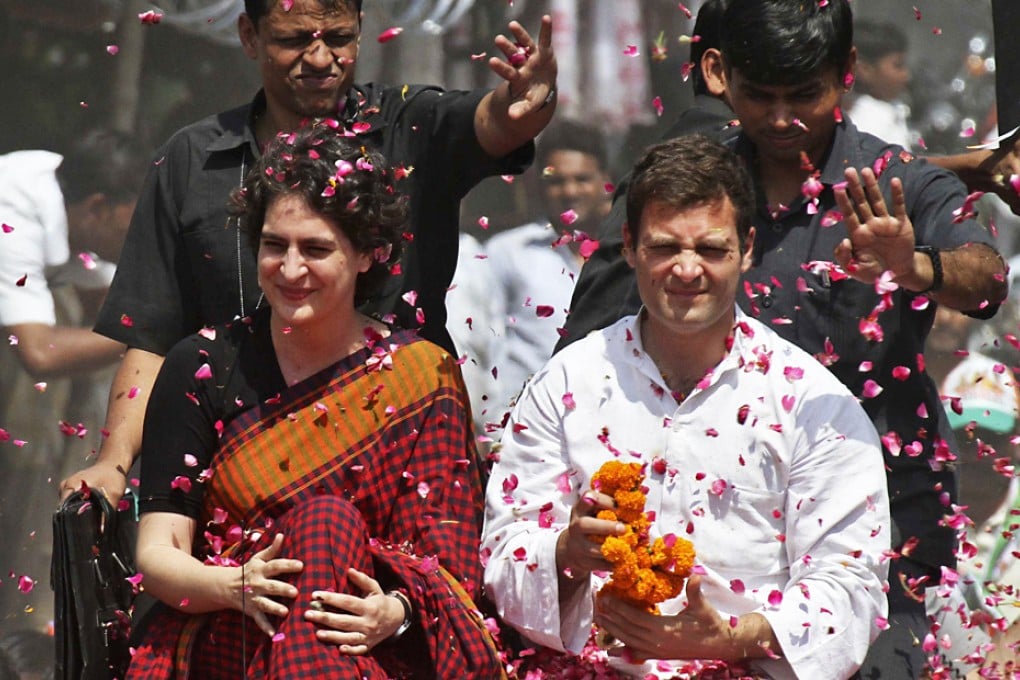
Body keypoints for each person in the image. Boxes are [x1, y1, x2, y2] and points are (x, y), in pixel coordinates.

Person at [559, 2, 1008, 676]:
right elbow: (591, 342)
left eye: (803, 96)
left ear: (845, 74)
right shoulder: (684, 187)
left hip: (876, 529)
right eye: (759, 96)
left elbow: (985, 279)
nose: (779, 119)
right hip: (714, 520)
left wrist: (913, 268)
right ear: (720, 77)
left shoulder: (897, 185)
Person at [60, 0, 558, 506]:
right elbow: (151, 338)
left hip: (397, 469)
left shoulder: (413, 126)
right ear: (250, 37)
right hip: (236, 486)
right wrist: (113, 462)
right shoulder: (192, 161)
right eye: (295, 40)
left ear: (362, 31)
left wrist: (530, 100)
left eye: (338, 38)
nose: (320, 59)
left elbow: (498, 122)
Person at [482, 135, 890, 679]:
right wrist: (566, 554)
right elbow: (504, 552)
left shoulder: (815, 407)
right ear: (628, 246)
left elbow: (851, 586)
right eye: (665, 247)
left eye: (711, 249)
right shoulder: (566, 381)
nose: (687, 270)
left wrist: (732, 638)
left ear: (747, 248)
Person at [126, 125, 500, 677]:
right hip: (232, 629)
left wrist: (390, 614)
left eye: (317, 249)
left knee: (328, 525)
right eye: (275, 245)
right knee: (325, 522)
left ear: (369, 254)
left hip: (367, 648)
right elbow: (158, 555)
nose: (291, 270)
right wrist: (233, 585)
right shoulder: (202, 365)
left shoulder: (421, 375)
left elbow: (448, 566)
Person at [0, 129, 145, 630]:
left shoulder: (72, 198)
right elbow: (39, 353)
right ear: (98, 207)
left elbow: (105, 313)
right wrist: (156, 332)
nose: (136, 241)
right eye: (129, 227)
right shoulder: (12, 209)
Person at [484, 119, 612, 416]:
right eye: (556, 181)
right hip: (523, 422)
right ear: (540, 186)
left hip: (603, 420)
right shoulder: (508, 252)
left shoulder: (625, 256)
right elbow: (485, 343)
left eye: (582, 179)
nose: (569, 191)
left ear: (606, 183)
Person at [846, 20, 914, 149]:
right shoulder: (871, 119)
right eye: (898, 66)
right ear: (864, 69)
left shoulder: (891, 107)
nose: (906, 75)